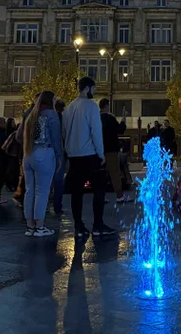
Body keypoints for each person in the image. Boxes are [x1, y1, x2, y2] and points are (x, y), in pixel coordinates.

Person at [63, 77, 114, 239]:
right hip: (89, 154)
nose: (95, 91)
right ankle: (98, 224)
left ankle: (79, 226)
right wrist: (101, 153)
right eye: (94, 88)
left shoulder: (69, 107)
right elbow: (96, 131)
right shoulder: (91, 106)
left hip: (74, 156)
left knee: (76, 192)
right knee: (99, 190)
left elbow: (64, 131)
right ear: (87, 88)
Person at [22, 91, 62, 237]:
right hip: (44, 153)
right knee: (42, 191)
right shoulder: (51, 115)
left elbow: (20, 136)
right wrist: (60, 157)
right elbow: (56, 138)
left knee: (29, 190)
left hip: (28, 154)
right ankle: (40, 226)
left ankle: (30, 226)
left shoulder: (30, 115)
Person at [99, 98, 128, 204]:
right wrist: (123, 118)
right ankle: (119, 196)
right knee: (114, 173)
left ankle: (101, 196)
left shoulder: (96, 118)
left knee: (101, 174)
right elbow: (120, 130)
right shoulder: (110, 118)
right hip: (111, 150)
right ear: (107, 105)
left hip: (99, 151)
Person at [52, 100, 66, 216]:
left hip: (47, 151)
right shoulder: (61, 118)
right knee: (58, 181)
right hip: (59, 151)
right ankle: (57, 206)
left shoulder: (48, 117)